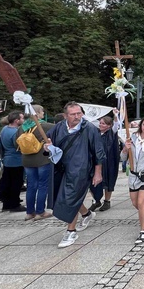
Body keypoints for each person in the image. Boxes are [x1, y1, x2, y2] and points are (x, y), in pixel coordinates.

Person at [45, 102, 105, 248]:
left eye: (79, 113)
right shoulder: (58, 128)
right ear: (65, 115)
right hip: (60, 167)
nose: (77, 116)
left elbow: (98, 152)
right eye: (73, 114)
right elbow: (47, 144)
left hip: (81, 169)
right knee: (65, 196)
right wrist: (46, 147)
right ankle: (86, 214)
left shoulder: (89, 129)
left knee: (70, 197)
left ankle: (70, 231)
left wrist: (98, 173)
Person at [18, 105, 54, 220]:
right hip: (42, 159)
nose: (43, 113)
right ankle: (40, 212)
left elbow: (16, 143)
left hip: (27, 160)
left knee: (31, 186)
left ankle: (29, 212)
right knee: (42, 185)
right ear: (37, 112)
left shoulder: (22, 127)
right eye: (42, 111)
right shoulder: (45, 126)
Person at [90, 110, 121, 212]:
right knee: (94, 181)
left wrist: (116, 115)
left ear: (109, 125)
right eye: (100, 123)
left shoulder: (112, 133)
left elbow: (116, 125)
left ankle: (107, 201)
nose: (100, 125)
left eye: (103, 123)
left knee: (108, 180)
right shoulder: (96, 133)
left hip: (109, 162)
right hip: (97, 161)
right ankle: (96, 200)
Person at [0, 110, 26, 212]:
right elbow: (18, 146)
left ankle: (6, 204)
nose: (23, 120)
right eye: (22, 118)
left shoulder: (4, 129)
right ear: (17, 120)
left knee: (9, 182)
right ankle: (14, 204)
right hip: (16, 160)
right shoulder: (15, 132)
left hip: (7, 159)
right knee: (16, 183)